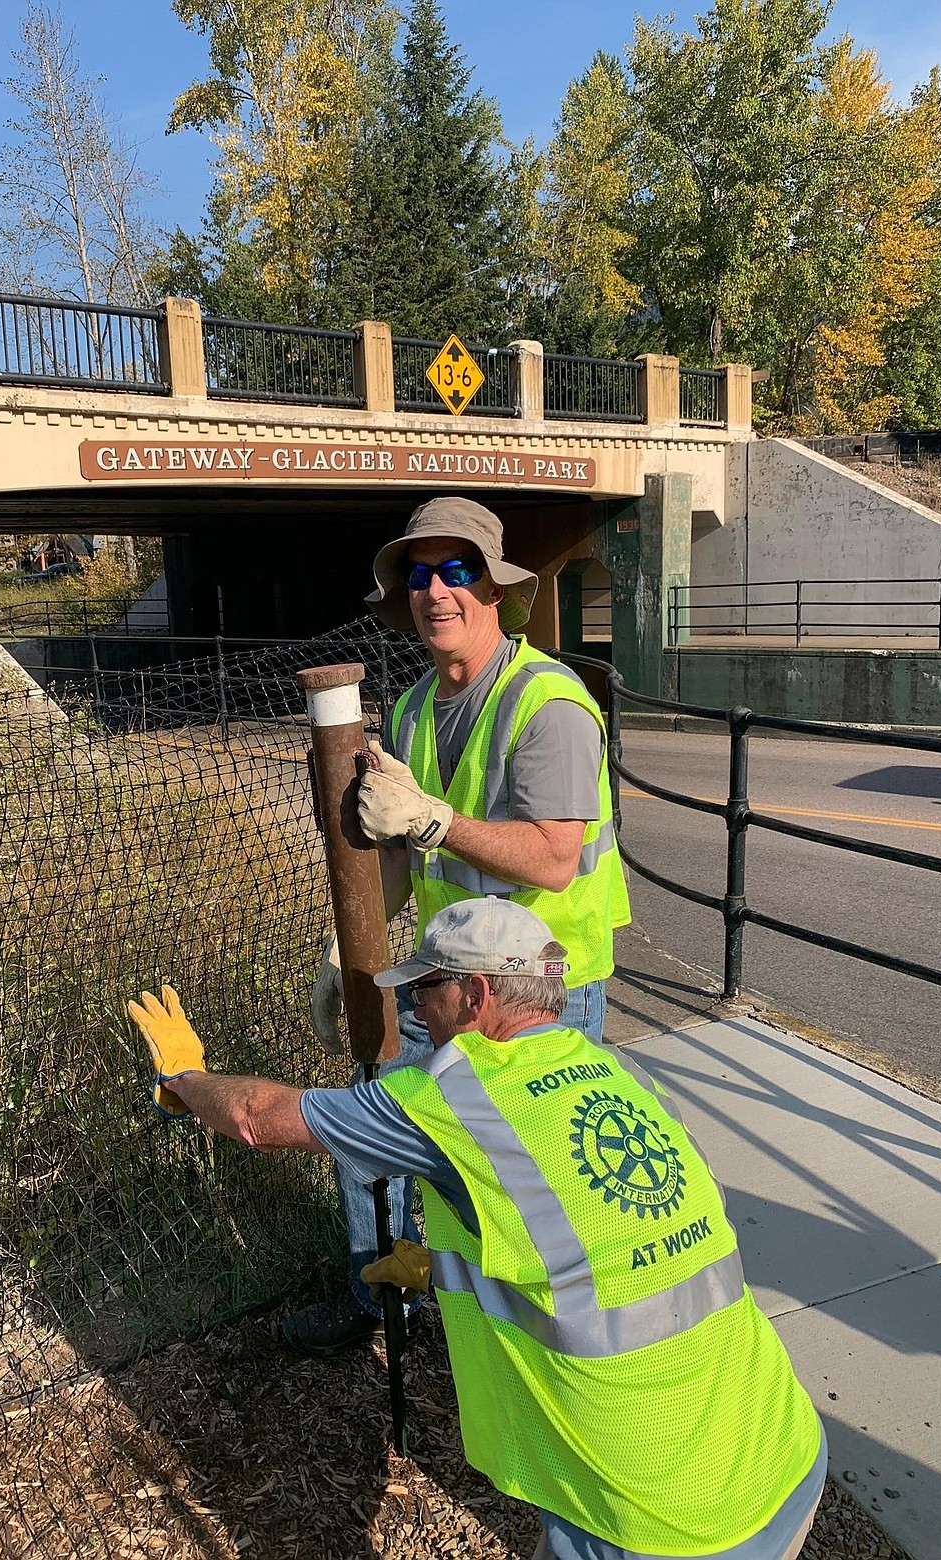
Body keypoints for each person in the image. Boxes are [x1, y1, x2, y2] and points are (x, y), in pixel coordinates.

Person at [126, 897, 826, 1560]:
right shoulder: (621, 1074)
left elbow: (256, 1118)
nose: (414, 1008)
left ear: (478, 996)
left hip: (655, 1521)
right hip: (780, 1450)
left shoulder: (453, 1098)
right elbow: (596, 1257)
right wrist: (435, 1267)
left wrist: (185, 1078)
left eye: (425, 989)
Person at [291, 495, 631, 1356]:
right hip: (444, 974)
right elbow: (406, 852)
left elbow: (555, 857)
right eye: (419, 573)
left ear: (495, 588)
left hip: (541, 985)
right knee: (371, 1129)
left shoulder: (547, 703)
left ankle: (518, 1340)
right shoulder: (408, 711)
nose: (436, 590)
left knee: (520, 1177)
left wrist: (433, 817)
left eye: (457, 570)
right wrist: (350, 944)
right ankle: (388, 1305)